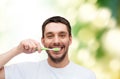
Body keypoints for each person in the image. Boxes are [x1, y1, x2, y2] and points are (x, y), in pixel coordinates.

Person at [0, 16, 96, 79]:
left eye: (62, 35)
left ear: (70, 40)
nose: (56, 41)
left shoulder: (86, 75)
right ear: (43, 41)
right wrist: (18, 50)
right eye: (50, 36)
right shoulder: (26, 70)